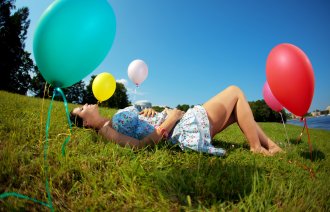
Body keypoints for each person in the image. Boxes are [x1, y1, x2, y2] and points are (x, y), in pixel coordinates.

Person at [70, 85, 283, 156]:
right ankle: (257, 147)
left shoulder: (111, 120)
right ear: (86, 123)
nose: (86, 105)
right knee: (235, 92)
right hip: (181, 128)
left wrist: (151, 112)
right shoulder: (107, 130)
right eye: (81, 109)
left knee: (238, 111)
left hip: (180, 123)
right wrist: (170, 119)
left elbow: (139, 125)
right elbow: (139, 146)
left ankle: (271, 146)